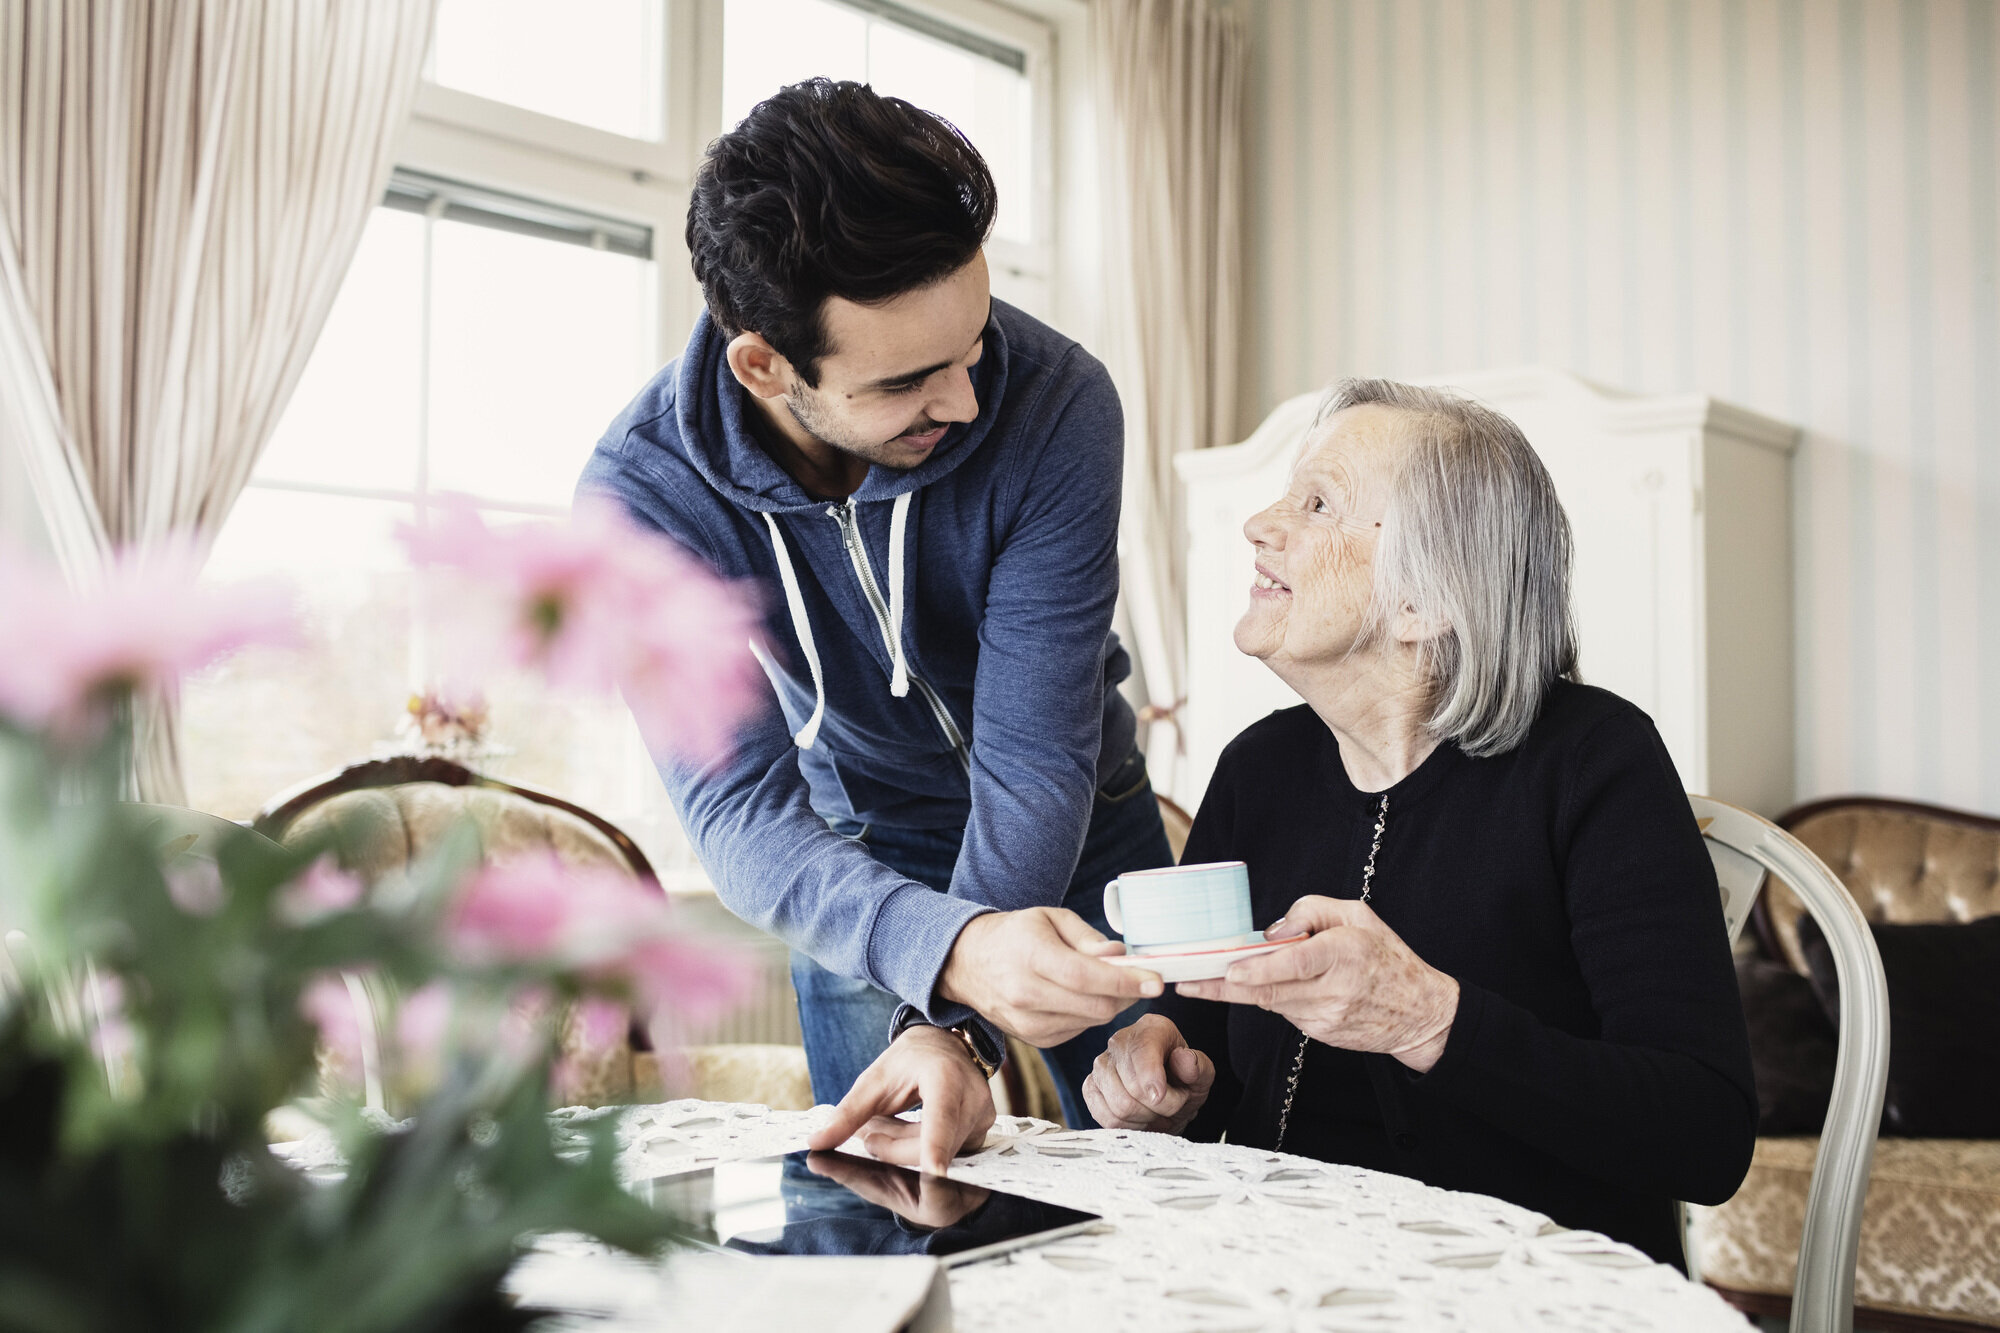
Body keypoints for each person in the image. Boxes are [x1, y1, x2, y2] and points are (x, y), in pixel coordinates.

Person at [830, 378, 1757, 1268]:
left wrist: (1428, 1018)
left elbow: (1705, 1136)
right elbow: (1204, 1062)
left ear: (1425, 599)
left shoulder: (1598, 763)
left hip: (1524, 1286)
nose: (1260, 525)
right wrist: (1159, 1077)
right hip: (1288, 1273)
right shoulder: (1262, 767)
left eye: (1317, 504)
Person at [578, 79, 1170, 1128]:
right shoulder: (640, 502)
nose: (967, 401)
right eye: (907, 382)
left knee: (1179, 1172)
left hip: (1086, 827)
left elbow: (1033, 754)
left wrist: (949, 1020)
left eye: (974, 343)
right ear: (763, 363)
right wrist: (941, 958)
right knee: (886, 1207)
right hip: (858, 865)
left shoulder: (1059, 402)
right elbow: (738, 806)